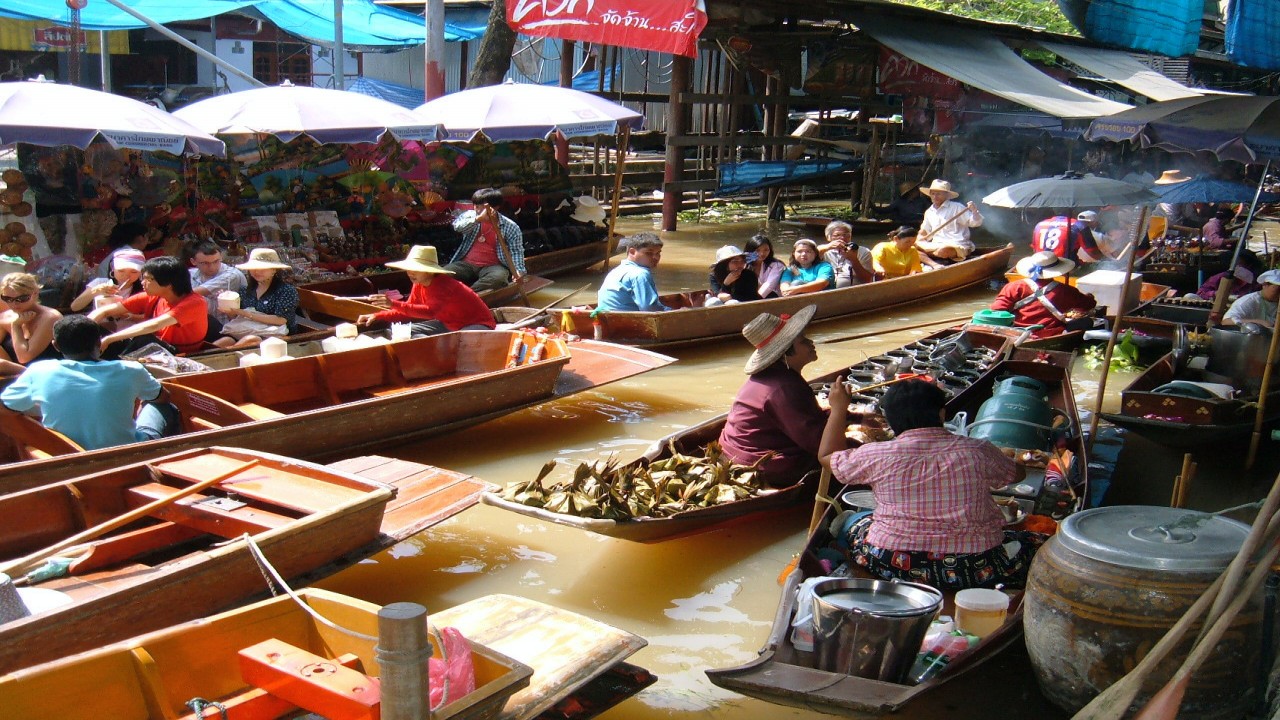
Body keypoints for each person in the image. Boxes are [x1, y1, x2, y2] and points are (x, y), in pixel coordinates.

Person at [818, 378, 1040, 590]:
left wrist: (838, 409)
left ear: (890, 421)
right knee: (1033, 542)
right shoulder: (978, 450)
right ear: (942, 414)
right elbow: (1017, 475)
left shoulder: (874, 454)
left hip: (891, 562)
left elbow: (827, 455)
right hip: (973, 567)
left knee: (856, 521)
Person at [1, 315, 179, 450]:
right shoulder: (131, 370)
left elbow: (5, 408)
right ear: (98, 342)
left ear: (56, 345)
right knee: (167, 407)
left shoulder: (39, 371)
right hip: (130, 451)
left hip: (69, 454)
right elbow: (163, 398)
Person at [719, 305, 836, 485]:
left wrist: (853, 418)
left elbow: (807, 419)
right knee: (843, 459)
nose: (811, 343)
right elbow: (820, 444)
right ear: (786, 353)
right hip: (759, 469)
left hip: (734, 455)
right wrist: (841, 413)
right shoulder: (785, 387)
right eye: (803, 340)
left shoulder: (777, 378)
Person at [356, 245, 495, 336]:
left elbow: (429, 312)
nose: (410, 272)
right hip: (449, 324)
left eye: (415, 269)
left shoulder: (443, 285)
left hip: (477, 325)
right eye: (409, 269)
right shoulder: (419, 283)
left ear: (428, 271)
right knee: (402, 333)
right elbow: (408, 311)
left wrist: (392, 304)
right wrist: (377, 316)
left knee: (460, 341)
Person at [89, 255, 209, 357]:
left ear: (168, 283)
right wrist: (82, 327)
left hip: (178, 353)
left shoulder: (195, 303)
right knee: (97, 331)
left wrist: (110, 339)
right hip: (154, 349)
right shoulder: (152, 296)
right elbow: (105, 311)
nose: (142, 283)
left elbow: (154, 325)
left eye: (148, 279)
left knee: (143, 339)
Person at [990, 252, 1096, 338]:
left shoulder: (1014, 286)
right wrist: (1089, 297)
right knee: (1087, 322)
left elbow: (997, 310)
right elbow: (1088, 305)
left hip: (1018, 333)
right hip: (1051, 334)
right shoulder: (1065, 291)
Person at [214, 248, 298, 348]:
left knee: (251, 339)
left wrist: (246, 313)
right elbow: (237, 318)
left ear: (274, 270)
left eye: (262, 268)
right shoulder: (245, 290)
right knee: (225, 341)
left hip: (277, 336)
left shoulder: (286, 290)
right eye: (253, 268)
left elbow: (280, 320)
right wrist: (228, 306)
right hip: (246, 330)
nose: (257, 271)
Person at [447, 187, 527, 293]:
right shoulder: (470, 216)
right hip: (466, 264)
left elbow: (516, 251)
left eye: (481, 207)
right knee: (440, 275)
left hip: (493, 266)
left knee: (497, 280)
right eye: (475, 206)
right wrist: (477, 220)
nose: (477, 210)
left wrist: (519, 271)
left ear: (495, 207)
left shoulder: (511, 226)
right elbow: (457, 227)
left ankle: (469, 295)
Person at [0, 272, 62, 375]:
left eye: (22, 299)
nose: (14, 304)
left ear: (35, 293)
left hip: (48, 374)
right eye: (7, 299)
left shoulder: (50, 317)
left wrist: (16, 326)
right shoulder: (5, 317)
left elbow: (24, 357)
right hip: (19, 376)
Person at [596, 233, 672, 312]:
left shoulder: (616, 271)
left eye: (658, 253)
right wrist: (672, 311)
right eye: (649, 253)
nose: (656, 257)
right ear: (632, 252)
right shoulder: (640, 274)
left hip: (608, 318)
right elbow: (649, 308)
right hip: (627, 320)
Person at [188, 240, 247, 340]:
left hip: (228, 329)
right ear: (193, 262)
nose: (212, 267)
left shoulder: (231, 275)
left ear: (221, 258)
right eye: (205, 263)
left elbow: (187, 295)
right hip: (202, 328)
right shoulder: (190, 274)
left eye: (216, 261)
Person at [915, 179, 983, 264]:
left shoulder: (957, 207)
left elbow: (975, 223)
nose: (935, 196)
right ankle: (934, 263)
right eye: (933, 194)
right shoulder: (929, 212)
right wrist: (919, 237)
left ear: (946, 195)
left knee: (943, 251)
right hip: (937, 244)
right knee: (913, 248)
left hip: (956, 244)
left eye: (938, 194)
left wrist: (974, 211)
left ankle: (931, 257)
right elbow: (924, 230)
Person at [70, 248, 146, 314]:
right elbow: (75, 307)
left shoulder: (145, 289)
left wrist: (131, 316)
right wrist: (96, 291)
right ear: (112, 267)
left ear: (141, 272)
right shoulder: (100, 283)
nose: (126, 275)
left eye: (134, 272)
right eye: (121, 271)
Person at [1030, 210, 1104, 264]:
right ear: (1073, 211)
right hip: (1067, 268)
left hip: (1040, 265)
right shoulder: (1079, 225)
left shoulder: (1039, 224)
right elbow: (1094, 253)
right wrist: (1107, 261)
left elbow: (1034, 249)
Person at [819, 221, 874, 287]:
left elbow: (867, 280)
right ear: (828, 237)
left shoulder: (863, 252)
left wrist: (853, 260)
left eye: (846, 235)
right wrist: (827, 247)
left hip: (854, 290)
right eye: (837, 235)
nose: (842, 238)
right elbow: (810, 258)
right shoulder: (824, 250)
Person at [744, 234, 785, 299]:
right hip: (751, 296)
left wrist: (755, 299)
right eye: (757, 250)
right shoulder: (745, 264)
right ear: (750, 251)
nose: (762, 253)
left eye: (766, 250)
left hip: (771, 297)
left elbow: (769, 285)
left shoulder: (777, 265)